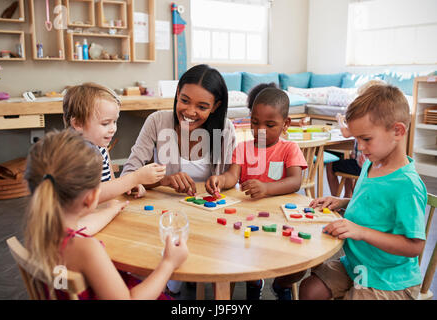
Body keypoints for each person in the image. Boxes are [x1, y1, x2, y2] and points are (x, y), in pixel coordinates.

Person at [24, 129, 188, 299]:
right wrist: (168, 264)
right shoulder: (87, 250)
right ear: (92, 197)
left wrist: (111, 210)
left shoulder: (39, 232)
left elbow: (84, 226)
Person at [298, 84, 427, 300]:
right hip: (358, 264)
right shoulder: (371, 163)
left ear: (398, 131)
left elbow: (414, 246)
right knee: (310, 289)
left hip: (389, 280)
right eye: (357, 139)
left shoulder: (407, 185)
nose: (360, 147)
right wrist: (342, 201)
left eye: (366, 139)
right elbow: (374, 204)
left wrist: (361, 232)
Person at [121, 64, 236, 295]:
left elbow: (232, 176)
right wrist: (164, 180)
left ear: (216, 107)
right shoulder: (157, 121)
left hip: (208, 217)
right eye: (184, 100)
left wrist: (220, 180)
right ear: (176, 95)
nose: (190, 111)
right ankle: (173, 277)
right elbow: (128, 175)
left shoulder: (225, 129)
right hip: (165, 216)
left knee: (220, 270)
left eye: (202, 107)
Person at [206, 87, 307, 299]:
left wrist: (267, 188)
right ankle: (253, 282)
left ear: (285, 124)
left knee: (298, 266)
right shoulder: (243, 148)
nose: (260, 130)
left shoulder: (290, 149)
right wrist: (220, 179)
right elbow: (232, 176)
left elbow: (296, 181)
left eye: (269, 125)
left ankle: (281, 285)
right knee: (241, 253)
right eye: (254, 122)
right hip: (247, 219)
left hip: (281, 218)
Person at [63, 83, 166, 235]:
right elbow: (92, 195)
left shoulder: (99, 146)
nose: (113, 129)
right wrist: (134, 178)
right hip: (76, 226)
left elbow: (109, 184)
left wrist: (127, 186)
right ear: (77, 123)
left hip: (96, 215)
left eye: (115, 121)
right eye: (105, 123)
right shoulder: (79, 152)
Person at [326, 80, 385, 197]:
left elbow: (346, 133)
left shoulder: (361, 117)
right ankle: (348, 194)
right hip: (373, 165)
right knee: (348, 159)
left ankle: (335, 196)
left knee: (331, 165)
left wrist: (340, 120)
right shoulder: (380, 117)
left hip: (362, 167)